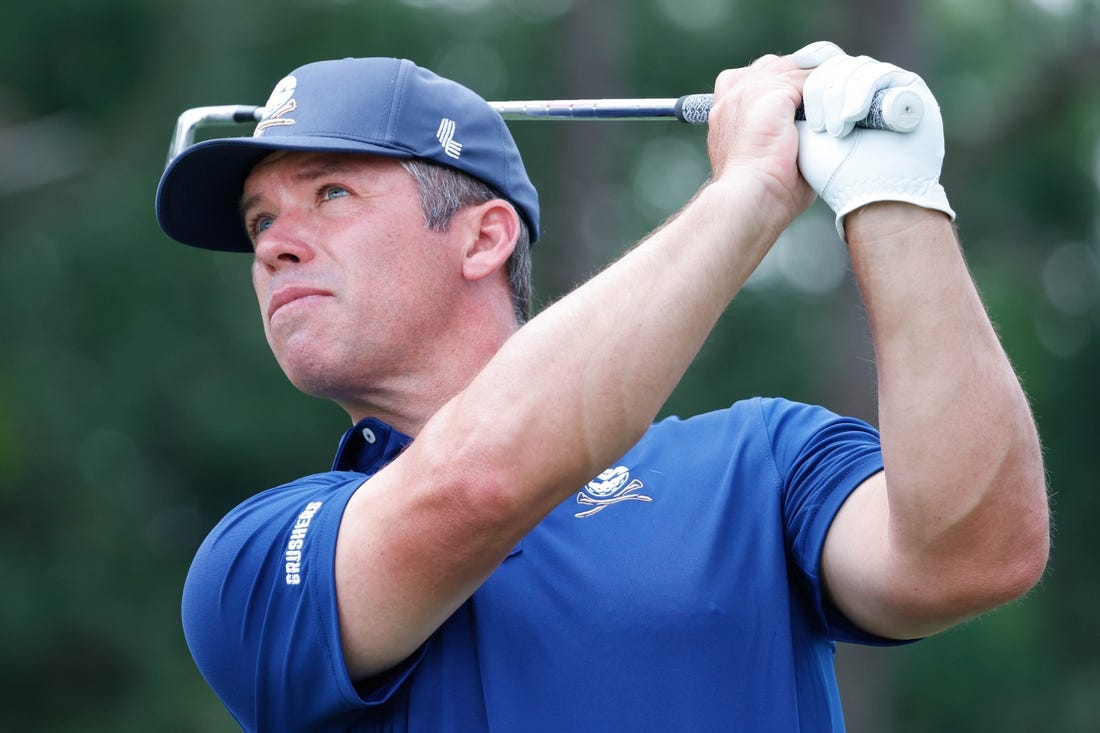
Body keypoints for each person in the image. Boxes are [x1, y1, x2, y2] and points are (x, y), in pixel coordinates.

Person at [155, 41, 1050, 732]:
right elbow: (479, 480)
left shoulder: (758, 463)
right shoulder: (257, 561)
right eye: (261, 218)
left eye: (332, 194)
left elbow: (974, 553)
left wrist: (894, 196)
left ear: (483, 238)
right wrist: (751, 189)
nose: (272, 243)